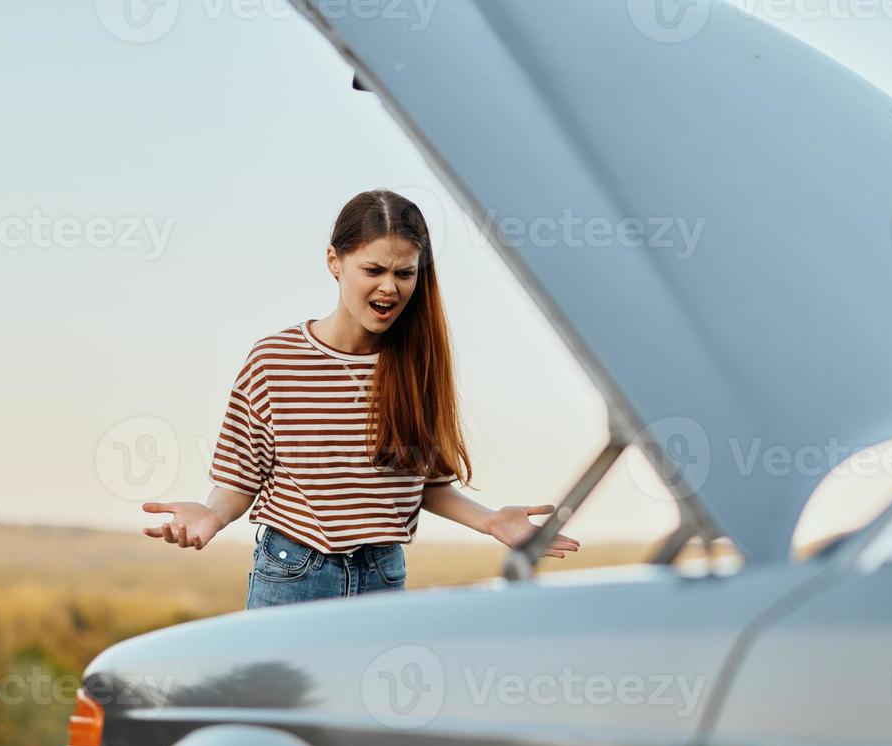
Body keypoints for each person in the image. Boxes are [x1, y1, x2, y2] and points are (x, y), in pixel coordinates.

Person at [141, 188, 580, 608]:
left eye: (404, 273)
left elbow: (421, 483)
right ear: (335, 261)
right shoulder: (273, 360)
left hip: (383, 574)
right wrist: (212, 516)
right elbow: (239, 480)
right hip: (294, 574)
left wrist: (490, 521)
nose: (390, 288)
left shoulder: (418, 366)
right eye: (374, 271)